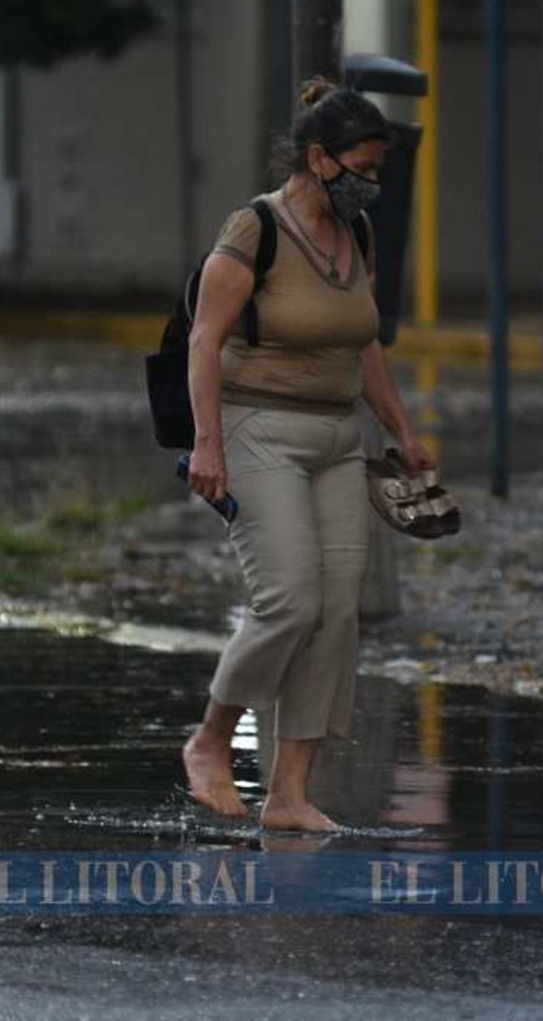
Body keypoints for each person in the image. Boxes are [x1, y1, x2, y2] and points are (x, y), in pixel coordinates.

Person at [179, 77, 435, 833]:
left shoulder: (357, 235)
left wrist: (402, 430)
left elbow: (365, 342)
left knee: (334, 612)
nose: (373, 183)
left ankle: (289, 793)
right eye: (363, 166)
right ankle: (210, 740)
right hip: (258, 430)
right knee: (288, 600)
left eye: (379, 169)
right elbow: (203, 339)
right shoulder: (253, 230)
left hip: (336, 438)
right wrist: (206, 444)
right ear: (319, 159)